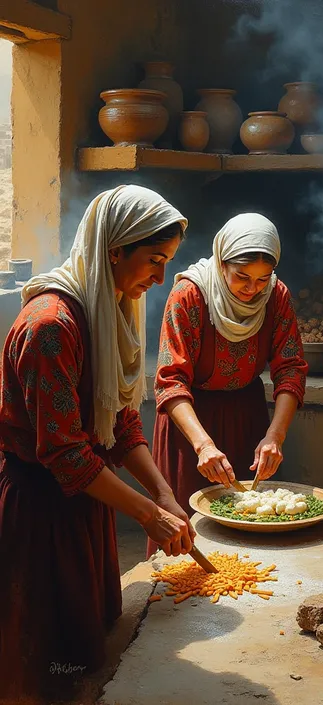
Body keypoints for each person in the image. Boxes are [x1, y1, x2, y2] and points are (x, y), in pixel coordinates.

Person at [0, 185, 196, 702]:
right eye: (154, 262)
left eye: (167, 263)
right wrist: (149, 516)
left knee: (86, 648)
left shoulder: (108, 307)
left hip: (86, 502)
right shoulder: (51, 328)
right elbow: (65, 454)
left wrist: (163, 494)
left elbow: (122, 420)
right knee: (40, 657)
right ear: (115, 249)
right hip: (41, 512)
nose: (158, 278)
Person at [147, 213, 308, 557]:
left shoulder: (276, 297)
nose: (253, 290)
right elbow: (170, 380)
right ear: (221, 262)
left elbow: (291, 368)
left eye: (263, 279)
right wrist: (203, 445)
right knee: (187, 536)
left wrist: (275, 436)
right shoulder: (189, 296)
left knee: (251, 529)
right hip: (189, 425)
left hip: (246, 419)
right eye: (242, 277)